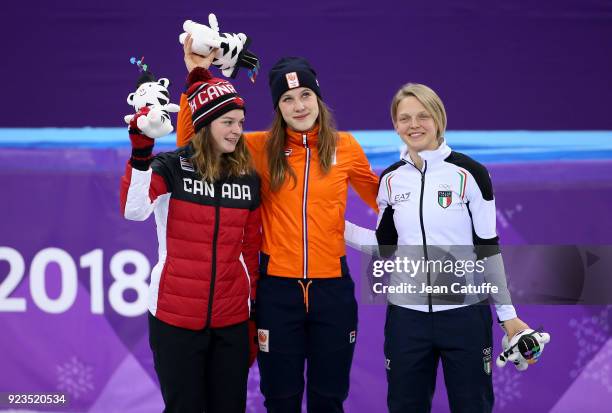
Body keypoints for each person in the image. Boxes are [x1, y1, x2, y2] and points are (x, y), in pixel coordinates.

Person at [177, 35, 379, 413]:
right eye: (287, 99)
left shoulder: (346, 147)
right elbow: (193, 143)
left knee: (328, 399)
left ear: (317, 97)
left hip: (332, 292)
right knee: (281, 399)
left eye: (304, 95)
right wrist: (196, 79)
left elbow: (388, 201)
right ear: (277, 106)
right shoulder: (256, 147)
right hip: (277, 293)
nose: (298, 105)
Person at [344, 83, 532, 413]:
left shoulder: (470, 173)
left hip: (465, 317)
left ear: (439, 120)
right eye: (404, 118)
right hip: (406, 320)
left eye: (423, 116)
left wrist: (508, 316)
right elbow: (386, 247)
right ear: (395, 124)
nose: (414, 125)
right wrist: (335, 226)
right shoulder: (390, 179)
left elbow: (488, 248)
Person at [120, 66, 261, 413]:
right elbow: (133, 210)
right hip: (175, 319)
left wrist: (253, 313)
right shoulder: (171, 167)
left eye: (241, 122)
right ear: (205, 123)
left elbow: (250, 250)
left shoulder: (247, 177)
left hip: (231, 322)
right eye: (228, 121)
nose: (237, 130)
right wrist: (141, 153)